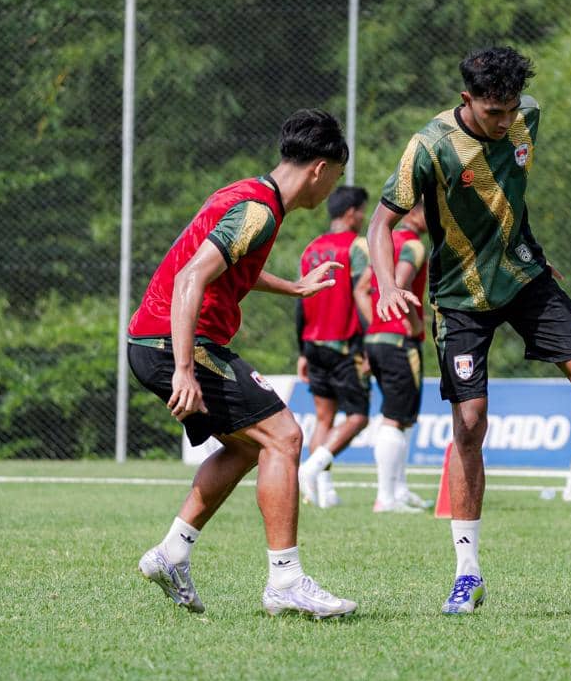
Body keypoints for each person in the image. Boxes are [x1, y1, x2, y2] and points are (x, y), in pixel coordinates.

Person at [368, 45, 571, 615]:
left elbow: (507, 197)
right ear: (467, 99)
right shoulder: (429, 145)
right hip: (460, 298)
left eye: (510, 109)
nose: (505, 121)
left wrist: (529, 250)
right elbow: (382, 224)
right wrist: (385, 284)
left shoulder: (530, 116)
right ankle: (467, 574)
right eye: (492, 112)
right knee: (470, 423)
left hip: (526, 277)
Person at [128, 109, 358, 619]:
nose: (332, 190)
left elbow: (230, 267)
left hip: (156, 339)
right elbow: (191, 278)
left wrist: (293, 286)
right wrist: (184, 369)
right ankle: (286, 581)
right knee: (285, 436)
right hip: (173, 342)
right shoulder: (260, 211)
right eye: (336, 176)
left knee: (249, 446)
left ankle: (172, 553)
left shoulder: (248, 195)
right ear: (319, 169)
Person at [294, 185, 372, 509]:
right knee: (358, 417)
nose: (364, 217)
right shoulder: (357, 246)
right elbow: (362, 295)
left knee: (323, 418)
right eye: (362, 210)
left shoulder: (311, 249)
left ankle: (323, 493)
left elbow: (300, 299)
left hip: (313, 344)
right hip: (344, 345)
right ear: (351, 212)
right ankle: (311, 469)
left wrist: (301, 350)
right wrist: (368, 345)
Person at [361, 200, 432, 513]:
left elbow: (361, 289)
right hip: (399, 341)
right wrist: (413, 323)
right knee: (395, 417)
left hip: (377, 338)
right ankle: (386, 498)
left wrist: (375, 323)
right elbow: (401, 284)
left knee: (400, 417)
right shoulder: (413, 245)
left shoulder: (385, 243)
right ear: (414, 212)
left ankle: (398, 491)